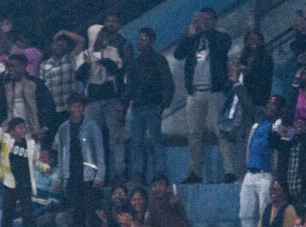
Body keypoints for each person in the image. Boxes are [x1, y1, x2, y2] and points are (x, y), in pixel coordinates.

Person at [173, 7, 234, 183]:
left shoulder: (222, 37)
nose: (204, 22)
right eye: (201, 19)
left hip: (214, 91)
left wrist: (207, 33)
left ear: (214, 21)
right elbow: (178, 55)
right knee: (193, 134)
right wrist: (188, 36)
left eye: (208, 19)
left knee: (220, 130)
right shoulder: (193, 39)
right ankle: (195, 173)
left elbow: (221, 49)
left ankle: (229, 171)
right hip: (194, 92)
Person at [53, 93, 106, 227]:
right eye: (74, 106)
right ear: (69, 108)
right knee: (77, 216)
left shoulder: (92, 127)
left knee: (91, 214)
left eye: (80, 106)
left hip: (89, 177)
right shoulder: (63, 129)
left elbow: (99, 152)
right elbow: (62, 156)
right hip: (72, 176)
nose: (78, 109)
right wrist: (59, 178)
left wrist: (100, 175)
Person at [126, 27, 175, 187]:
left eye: (144, 39)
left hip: (152, 106)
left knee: (155, 141)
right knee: (137, 142)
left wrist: (163, 104)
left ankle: (159, 172)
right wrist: (127, 102)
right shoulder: (135, 63)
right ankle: (138, 173)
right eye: (139, 39)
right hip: (138, 106)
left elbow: (168, 84)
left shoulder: (159, 60)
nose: (140, 42)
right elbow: (130, 86)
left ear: (152, 41)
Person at [80, 23, 127, 183]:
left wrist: (103, 59)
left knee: (115, 137)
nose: (103, 38)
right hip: (92, 100)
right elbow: (79, 76)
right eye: (99, 34)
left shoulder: (112, 51)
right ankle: (96, 175)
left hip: (110, 98)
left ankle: (118, 172)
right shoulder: (84, 54)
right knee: (94, 138)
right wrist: (87, 63)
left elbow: (116, 69)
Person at [239, 95, 283, 227]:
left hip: (266, 175)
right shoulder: (256, 127)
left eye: (274, 105)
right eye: (268, 104)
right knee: (245, 214)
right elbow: (248, 150)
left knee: (264, 212)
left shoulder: (277, 126)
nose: (270, 107)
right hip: (250, 174)